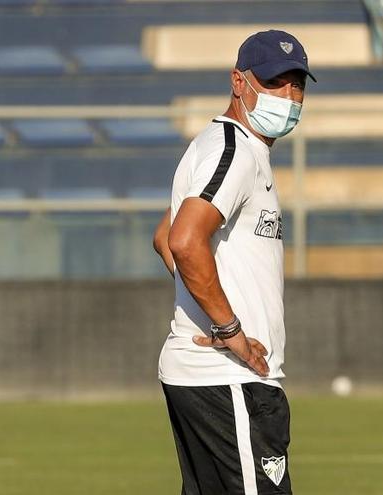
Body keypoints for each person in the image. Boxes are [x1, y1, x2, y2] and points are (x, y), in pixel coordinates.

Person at [152, 29, 314, 495]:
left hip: (217, 380)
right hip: (228, 379)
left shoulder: (233, 148)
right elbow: (183, 241)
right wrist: (229, 330)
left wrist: (203, 301)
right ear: (239, 82)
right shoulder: (234, 149)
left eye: (297, 84)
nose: (288, 95)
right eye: (274, 82)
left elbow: (165, 236)